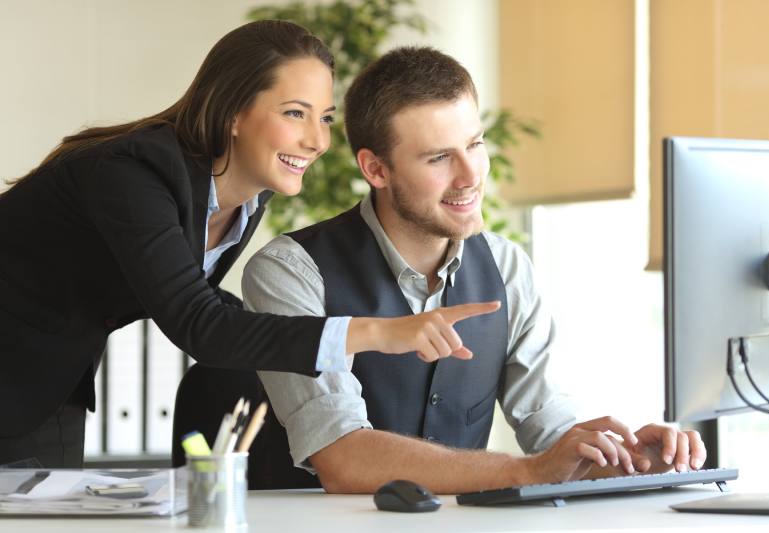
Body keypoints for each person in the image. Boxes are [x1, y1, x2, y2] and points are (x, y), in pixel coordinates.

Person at [0, 22, 497, 469]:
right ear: (234, 114)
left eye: (323, 118)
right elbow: (199, 324)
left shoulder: (246, 201)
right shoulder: (135, 173)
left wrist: (293, 322)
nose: (316, 140)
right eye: (295, 113)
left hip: (46, 380)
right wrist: (377, 333)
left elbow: (198, 301)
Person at [243, 46, 708, 494]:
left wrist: (633, 462)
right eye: (439, 157)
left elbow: (551, 427)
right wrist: (526, 472)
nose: (471, 176)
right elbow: (342, 458)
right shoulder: (291, 273)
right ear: (376, 169)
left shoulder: (506, 267)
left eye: (474, 144)